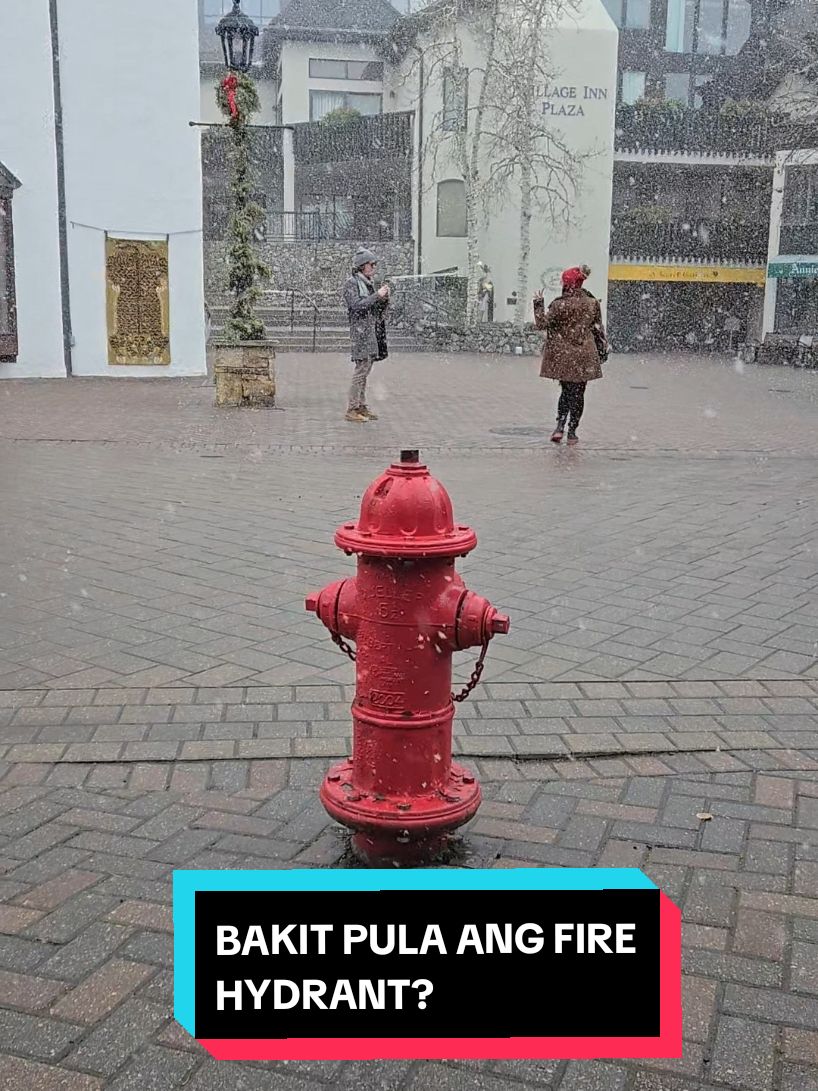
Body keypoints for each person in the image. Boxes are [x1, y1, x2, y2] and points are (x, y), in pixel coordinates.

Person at [534, 265, 608, 446]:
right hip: (585, 355)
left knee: (566, 391)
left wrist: (538, 303)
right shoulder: (592, 303)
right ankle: (573, 432)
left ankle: (559, 426)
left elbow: (542, 324)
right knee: (579, 393)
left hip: (564, 355)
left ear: (567, 284)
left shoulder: (559, 305)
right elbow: (597, 328)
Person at [342, 248, 390, 423]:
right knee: (360, 372)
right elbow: (356, 307)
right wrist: (377, 295)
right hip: (361, 333)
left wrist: (383, 300)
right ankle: (352, 408)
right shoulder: (352, 284)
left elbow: (375, 310)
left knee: (365, 371)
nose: (374, 267)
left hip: (371, 332)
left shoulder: (368, 283)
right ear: (362, 266)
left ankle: (361, 406)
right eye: (371, 264)